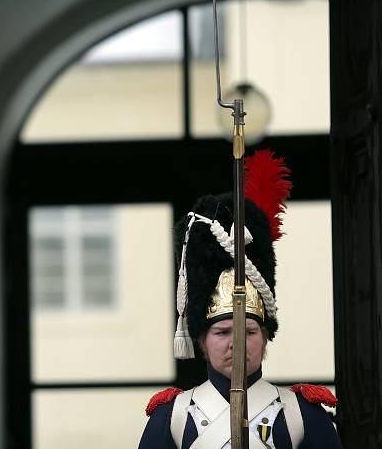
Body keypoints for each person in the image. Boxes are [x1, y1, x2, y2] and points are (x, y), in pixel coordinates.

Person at [138, 150, 342, 449]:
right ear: (201, 340)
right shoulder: (171, 419)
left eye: (249, 331)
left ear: (265, 337)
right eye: (221, 332)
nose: (236, 342)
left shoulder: (304, 416)